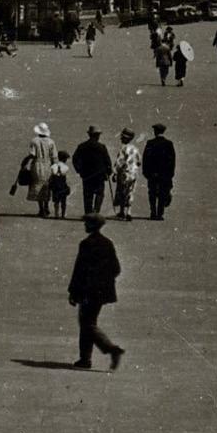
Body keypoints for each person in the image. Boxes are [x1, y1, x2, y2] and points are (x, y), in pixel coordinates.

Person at [67, 215, 124, 370]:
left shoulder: (86, 244)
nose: (84, 225)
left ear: (92, 225)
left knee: (87, 324)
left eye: (87, 222)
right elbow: (116, 269)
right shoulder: (108, 243)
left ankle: (111, 349)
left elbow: (79, 270)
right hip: (101, 292)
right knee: (88, 322)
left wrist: (73, 291)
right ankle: (85, 359)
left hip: (87, 291)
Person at [71, 125, 112, 217]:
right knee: (99, 194)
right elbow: (107, 161)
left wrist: (79, 170)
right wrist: (109, 172)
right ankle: (96, 212)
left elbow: (75, 159)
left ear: (89, 135)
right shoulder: (101, 147)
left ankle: (88, 213)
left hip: (86, 175)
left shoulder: (82, 146)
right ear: (97, 135)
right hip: (99, 175)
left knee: (87, 195)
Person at [143, 122, 176, 220]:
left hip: (152, 174)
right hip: (164, 174)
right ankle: (160, 214)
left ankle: (153, 213)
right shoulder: (168, 144)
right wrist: (170, 174)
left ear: (155, 131)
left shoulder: (150, 143)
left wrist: (146, 173)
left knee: (152, 194)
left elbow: (145, 159)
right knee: (162, 193)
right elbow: (172, 161)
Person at [27, 122, 57, 218]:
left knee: (37, 184)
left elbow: (32, 154)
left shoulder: (34, 141)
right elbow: (54, 156)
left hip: (37, 165)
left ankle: (41, 209)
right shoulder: (51, 142)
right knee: (47, 186)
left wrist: (25, 162)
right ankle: (46, 206)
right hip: (48, 165)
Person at [111, 127, 141, 221]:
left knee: (122, 192)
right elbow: (139, 162)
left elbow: (119, 162)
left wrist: (114, 173)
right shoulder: (135, 149)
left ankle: (122, 212)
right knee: (130, 192)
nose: (121, 138)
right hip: (133, 173)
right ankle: (129, 211)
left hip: (124, 173)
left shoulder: (123, 149)